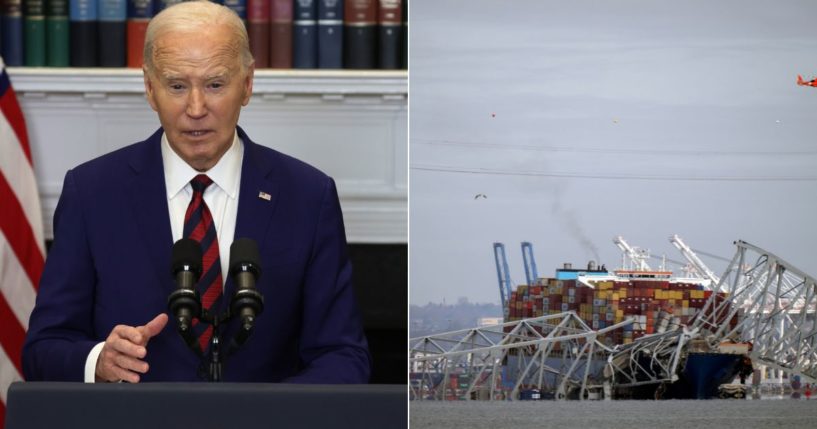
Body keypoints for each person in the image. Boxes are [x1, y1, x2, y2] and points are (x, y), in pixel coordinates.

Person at [22, 0, 370, 383]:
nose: (196, 107)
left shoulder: (308, 196)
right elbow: (43, 349)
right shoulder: (92, 193)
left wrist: (271, 415)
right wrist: (99, 360)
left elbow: (342, 355)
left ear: (248, 84)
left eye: (215, 84)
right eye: (176, 86)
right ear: (150, 88)